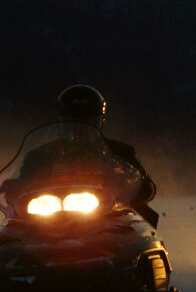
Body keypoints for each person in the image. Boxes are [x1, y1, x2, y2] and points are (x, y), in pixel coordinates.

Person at [54, 84, 160, 227]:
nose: (80, 131)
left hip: (110, 218)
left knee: (144, 219)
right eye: (72, 123)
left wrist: (130, 187)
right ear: (61, 122)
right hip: (52, 218)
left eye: (87, 123)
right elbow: (20, 183)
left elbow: (146, 185)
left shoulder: (119, 152)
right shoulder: (43, 155)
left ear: (99, 120)